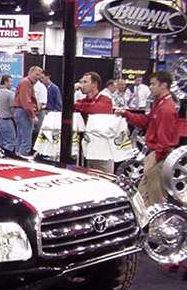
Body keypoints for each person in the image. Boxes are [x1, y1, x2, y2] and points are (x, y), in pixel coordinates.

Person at [118, 71, 179, 206]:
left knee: (154, 197)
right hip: (156, 154)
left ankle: (157, 219)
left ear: (163, 85)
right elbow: (145, 122)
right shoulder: (160, 104)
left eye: (153, 84)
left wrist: (156, 157)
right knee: (143, 195)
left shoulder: (166, 108)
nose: (150, 87)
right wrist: (126, 114)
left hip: (159, 155)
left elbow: (164, 138)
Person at [74, 72, 114, 173]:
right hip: (86, 145)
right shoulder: (83, 101)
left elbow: (94, 109)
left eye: (85, 82)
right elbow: (69, 106)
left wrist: (78, 106)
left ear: (94, 84)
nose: (81, 85)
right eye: (81, 82)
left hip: (102, 147)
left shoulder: (105, 99)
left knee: (103, 174)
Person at [13, 65, 42, 156]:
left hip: (20, 112)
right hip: (24, 113)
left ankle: (17, 158)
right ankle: (22, 159)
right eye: (36, 74)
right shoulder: (26, 82)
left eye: (39, 75)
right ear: (30, 73)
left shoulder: (26, 82)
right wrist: (32, 115)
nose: (38, 77)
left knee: (20, 139)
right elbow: (26, 101)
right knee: (26, 142)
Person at [0, 75, 17, 152]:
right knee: (11, 142)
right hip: (7, 120)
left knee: (1, 142)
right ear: (5, 82)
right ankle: (7, 156)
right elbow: (12, 108)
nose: (11, 84)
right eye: (10, 82)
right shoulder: (10, 94)